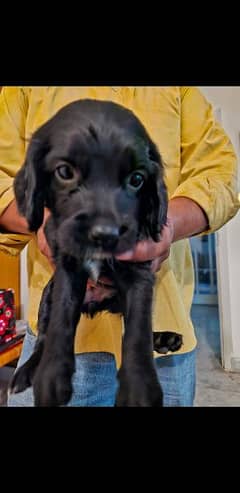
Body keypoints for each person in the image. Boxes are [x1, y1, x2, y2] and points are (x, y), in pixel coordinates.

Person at [0, 86, 238, 407]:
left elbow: (222, 173)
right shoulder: (23, 90)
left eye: (134, 178)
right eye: (67, 173)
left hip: (160, 338)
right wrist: (44, 223)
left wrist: (168, 227)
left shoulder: (179, 89)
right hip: (63, 334)